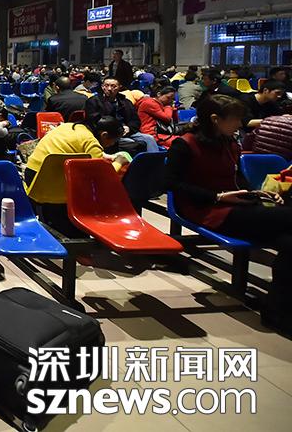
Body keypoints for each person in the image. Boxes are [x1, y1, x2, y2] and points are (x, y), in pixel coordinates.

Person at [164, 93, 291, 334]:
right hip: (205, 208)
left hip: (236, 206)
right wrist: (217, 197)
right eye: (235, 119)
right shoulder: (185, 144)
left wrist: (256, 194)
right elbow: (171, 184)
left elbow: (237, 179)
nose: (240, 124)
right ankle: (277, 312)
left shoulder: (229, 143)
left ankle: (277, 311)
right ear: (215, 119)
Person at [24, 116, 127, 188]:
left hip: (31, 176)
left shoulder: (69, 126)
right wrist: (119, 162)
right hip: (48, 185)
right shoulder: (92, 143)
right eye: (114, 141)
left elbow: (75, 146)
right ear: (104, 135)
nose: (112, 144)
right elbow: (101, 177)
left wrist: (104, 155)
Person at [85, 76, 159, 154]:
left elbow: (135, 120)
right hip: (111, 134)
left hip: (128, 131)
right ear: (102, 87)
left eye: (113, 86)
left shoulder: (125, 102)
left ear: (119, 87)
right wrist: (118, 130)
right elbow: (94, 122)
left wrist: (129, 128)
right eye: (106, 85)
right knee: (132, 143)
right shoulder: (94, 101)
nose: (109, 89)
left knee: (149, 138)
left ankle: (155, 160)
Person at [136, 82, 181, 149]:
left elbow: (175, 120)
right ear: (159, 94)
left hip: (162, 133)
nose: (170, 101)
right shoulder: (150, 103)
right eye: (168, 98)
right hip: (151, 134)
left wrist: (172, 109)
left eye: (172, 99)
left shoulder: (162, 104)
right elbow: (167, 118)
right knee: (180, 142)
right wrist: (168, 106)